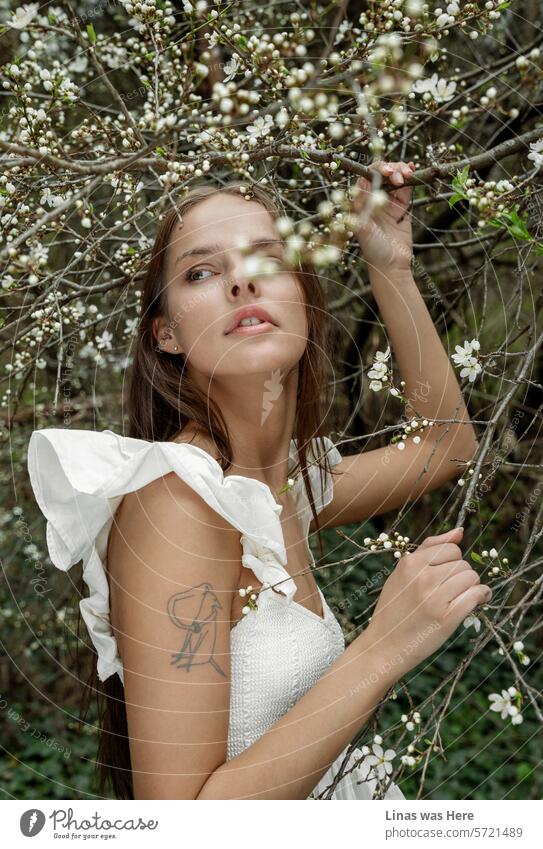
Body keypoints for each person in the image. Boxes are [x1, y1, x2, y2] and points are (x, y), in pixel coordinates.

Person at [27, 166, 491, 800]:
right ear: (167, 333)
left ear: (303, 293)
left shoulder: (285, 490)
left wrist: (390, 268)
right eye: (201, 273)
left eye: (264, 259)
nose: (241, 280)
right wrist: (382, 649)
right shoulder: (179, 501)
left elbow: (445, 446)